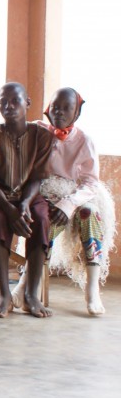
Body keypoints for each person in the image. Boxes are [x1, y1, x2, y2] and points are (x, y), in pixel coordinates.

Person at [0, 82, 54, 318]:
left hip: (29, 196)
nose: (8, 106)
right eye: (3, 102)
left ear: (27, 103)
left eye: (15, 101)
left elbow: (38, 178)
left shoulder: (41, 135)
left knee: (40, 219)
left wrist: (23, 204)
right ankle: (4, 295)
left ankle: (31, 295)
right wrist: (10, 209)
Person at [35, 87, 115, 315]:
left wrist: (68, 204)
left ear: (76, 114)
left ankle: (92, 290)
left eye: (66, 108)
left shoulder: (84, 141)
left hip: (75, 196)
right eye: (55, 107)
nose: (59, 112)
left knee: (89, 213)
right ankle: (27, 283)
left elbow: (90, 182)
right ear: (47, 110)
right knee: (45, 219)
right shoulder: (38, 130)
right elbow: (11, 126)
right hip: (46, 194)